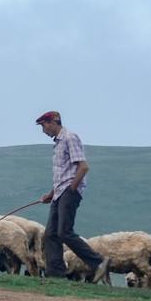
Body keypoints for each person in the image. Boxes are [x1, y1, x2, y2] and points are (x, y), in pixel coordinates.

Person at [36, 110, 106, 280]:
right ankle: (56, 274)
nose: (43, 130)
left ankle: (99, 262)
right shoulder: (58, 143)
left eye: (44, 125)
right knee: (51, 234)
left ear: (53, 122)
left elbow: (83, 167)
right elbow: (63, 173)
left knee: (64, 232)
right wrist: (51, 194)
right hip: (60, 193)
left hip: (69, 192)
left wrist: (72, 189)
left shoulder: (69, 137)